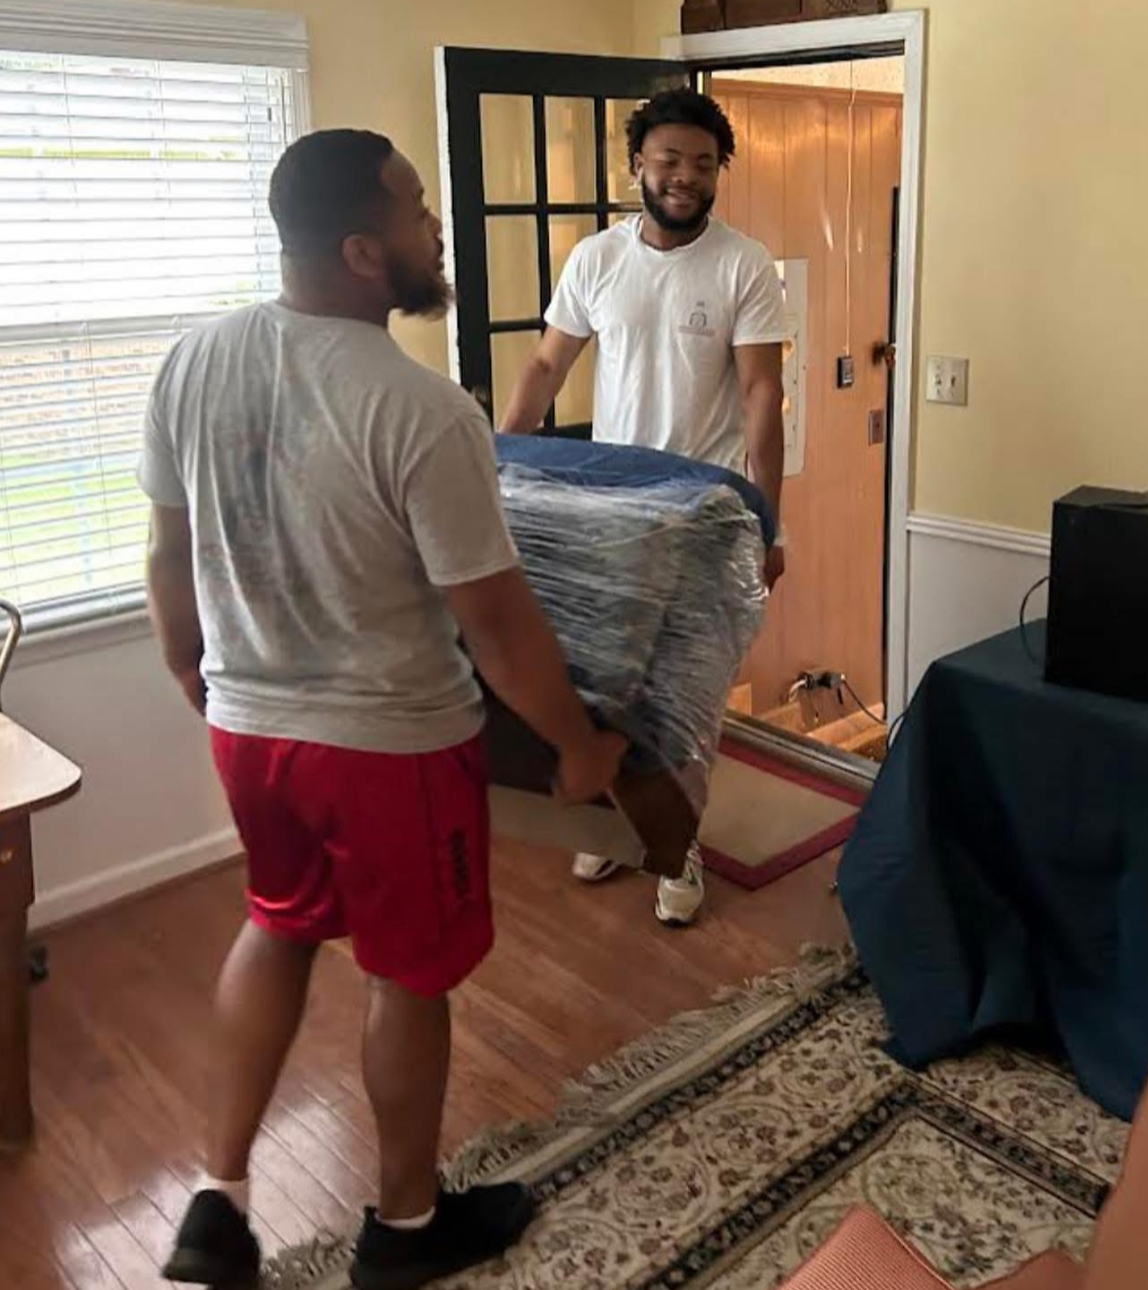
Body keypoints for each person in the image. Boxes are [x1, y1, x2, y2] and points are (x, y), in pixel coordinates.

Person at [141, 129, 624, 1290]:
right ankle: (405, 1230)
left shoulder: (191, 360)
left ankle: (219, 1200)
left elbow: (168, 555)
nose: (436, 225)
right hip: (390, 747)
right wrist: (577, 745)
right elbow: (499, 628)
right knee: (408, 973)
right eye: (417, 210)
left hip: (248, 728)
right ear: (365, 251)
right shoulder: (423, 410)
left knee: (278, 922)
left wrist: (190, 670)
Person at [499, 87, 788, 928]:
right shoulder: (595, 259)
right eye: (669, 160)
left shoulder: (744, 265)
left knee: (684, 691)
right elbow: (546, 368)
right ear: (638, 166)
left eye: (702, 163)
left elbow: (765, 396)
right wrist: (500, 462)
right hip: (612, 509)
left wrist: (772, 520)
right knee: (610, 681)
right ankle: (616, 828)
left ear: (717, 173)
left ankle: (677, 847)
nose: (685, 177)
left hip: (703, 515)